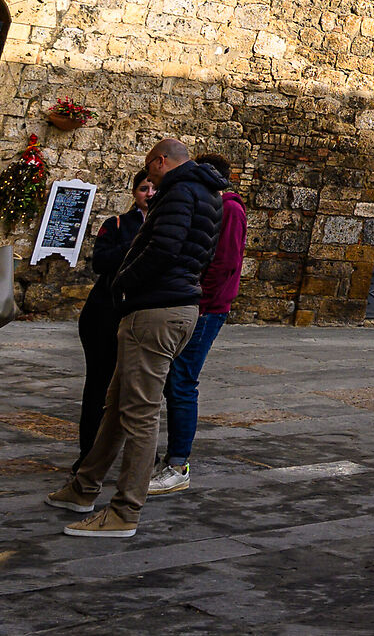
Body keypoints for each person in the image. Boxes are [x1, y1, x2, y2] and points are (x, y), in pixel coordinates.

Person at [50, 138, 226, 540]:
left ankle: (125, 510)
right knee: (117, 404)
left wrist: (125, 284)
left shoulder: (179, 191)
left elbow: (162, 249)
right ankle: (83, 487)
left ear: (161, 162)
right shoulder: (208, 194)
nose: (149, 179)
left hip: (156, 309)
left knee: (140, 414)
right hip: (176, 307)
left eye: (150, 171)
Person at [151, 151, 246, 495]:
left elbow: (225, 262)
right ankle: (169, 458)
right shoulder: (215, 206)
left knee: (181, 380)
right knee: (172, 379)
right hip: (196, 303)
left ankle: (179, 464)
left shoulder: (230, 209)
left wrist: (203, 302)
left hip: (208, 308)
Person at [78, 169, 152, 459]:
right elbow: (101, 262)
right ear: (135, 193)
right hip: (105, 314)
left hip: (141, 315)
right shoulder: (118, 224)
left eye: (154, 188)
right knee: (98, 384)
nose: (150, 194)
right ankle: (88, 452)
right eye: (144, 188)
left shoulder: (169, 224)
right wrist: (136, 243)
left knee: (137, 389)